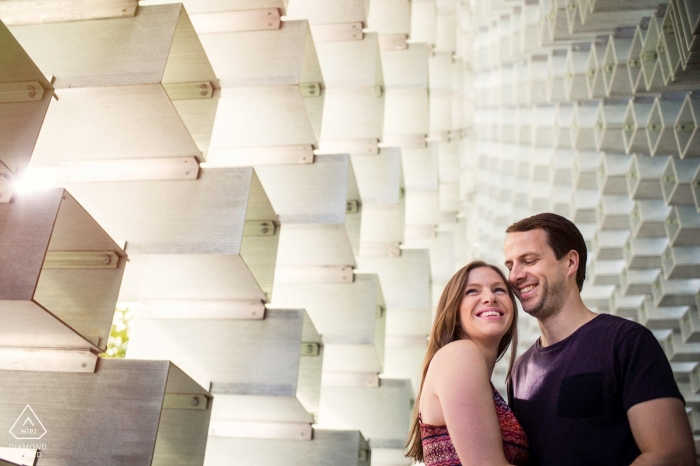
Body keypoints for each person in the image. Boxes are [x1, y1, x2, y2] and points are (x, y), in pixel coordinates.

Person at [504, 212, 695, 466]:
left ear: (570, 262)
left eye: (528, 260)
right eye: (509, 265)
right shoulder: (519, 372)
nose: (515, 276)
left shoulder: (626, 342)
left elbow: (673, 455)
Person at [406, 260, 529, 466]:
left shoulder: (465, 365)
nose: (490, 298)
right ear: (454, 313)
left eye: (499, 290)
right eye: (472, 292)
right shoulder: (460, 354)